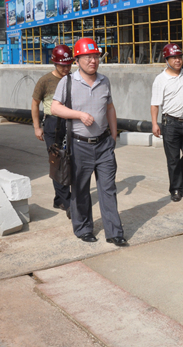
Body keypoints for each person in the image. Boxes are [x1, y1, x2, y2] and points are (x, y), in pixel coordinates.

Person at [51, 37, 127, 246]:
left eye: (96, 57)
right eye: (88, 57)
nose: (93, 61)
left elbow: (109, 108)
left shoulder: (104, 81)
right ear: (77, 60)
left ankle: (114, 232)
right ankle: (83, 228)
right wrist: (79, 115)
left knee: (108, 188)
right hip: (79, 145)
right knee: (81, 189)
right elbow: (55, 108)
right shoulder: (67, 82)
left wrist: (113, 135)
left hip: (104, 144)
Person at [31, 44, 74, 218]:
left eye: (68, 65)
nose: (66, 69)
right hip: (52, 124)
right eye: (62, 65)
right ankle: (68, 202)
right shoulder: (45, 81)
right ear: (55, 63)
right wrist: (37, 127)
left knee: (69, 161)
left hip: (70, 123)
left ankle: (59, 199)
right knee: (57, 162)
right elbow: (35, 103)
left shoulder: (73, 79)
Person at [151, 43, 183, 202]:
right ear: (166, 60)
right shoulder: (160, 79)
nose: (178, 60)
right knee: (173, 159)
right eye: (174, 57)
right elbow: (155, 104)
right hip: (170, 123)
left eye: (179, 57)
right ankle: (176, 189)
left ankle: (181, 174)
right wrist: (154, 123)